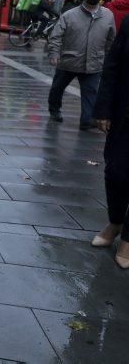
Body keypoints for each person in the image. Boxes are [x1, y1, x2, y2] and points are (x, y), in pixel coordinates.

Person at [47, 0, 115, 130]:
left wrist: (109, 58)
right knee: (57, 88)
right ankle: (54, 109)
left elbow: (111, 39)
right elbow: (56, 36)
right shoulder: (69, 15)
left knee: (91, 92)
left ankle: (86, 120)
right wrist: (54, 53)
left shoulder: (108, 15)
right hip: (69, 61)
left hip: (94, 63)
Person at [94, 18, 129, 269]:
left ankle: (128, 239)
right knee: (115, 171)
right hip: (124, 114)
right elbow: (113, 66)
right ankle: (116, 220)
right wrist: (103, 109)